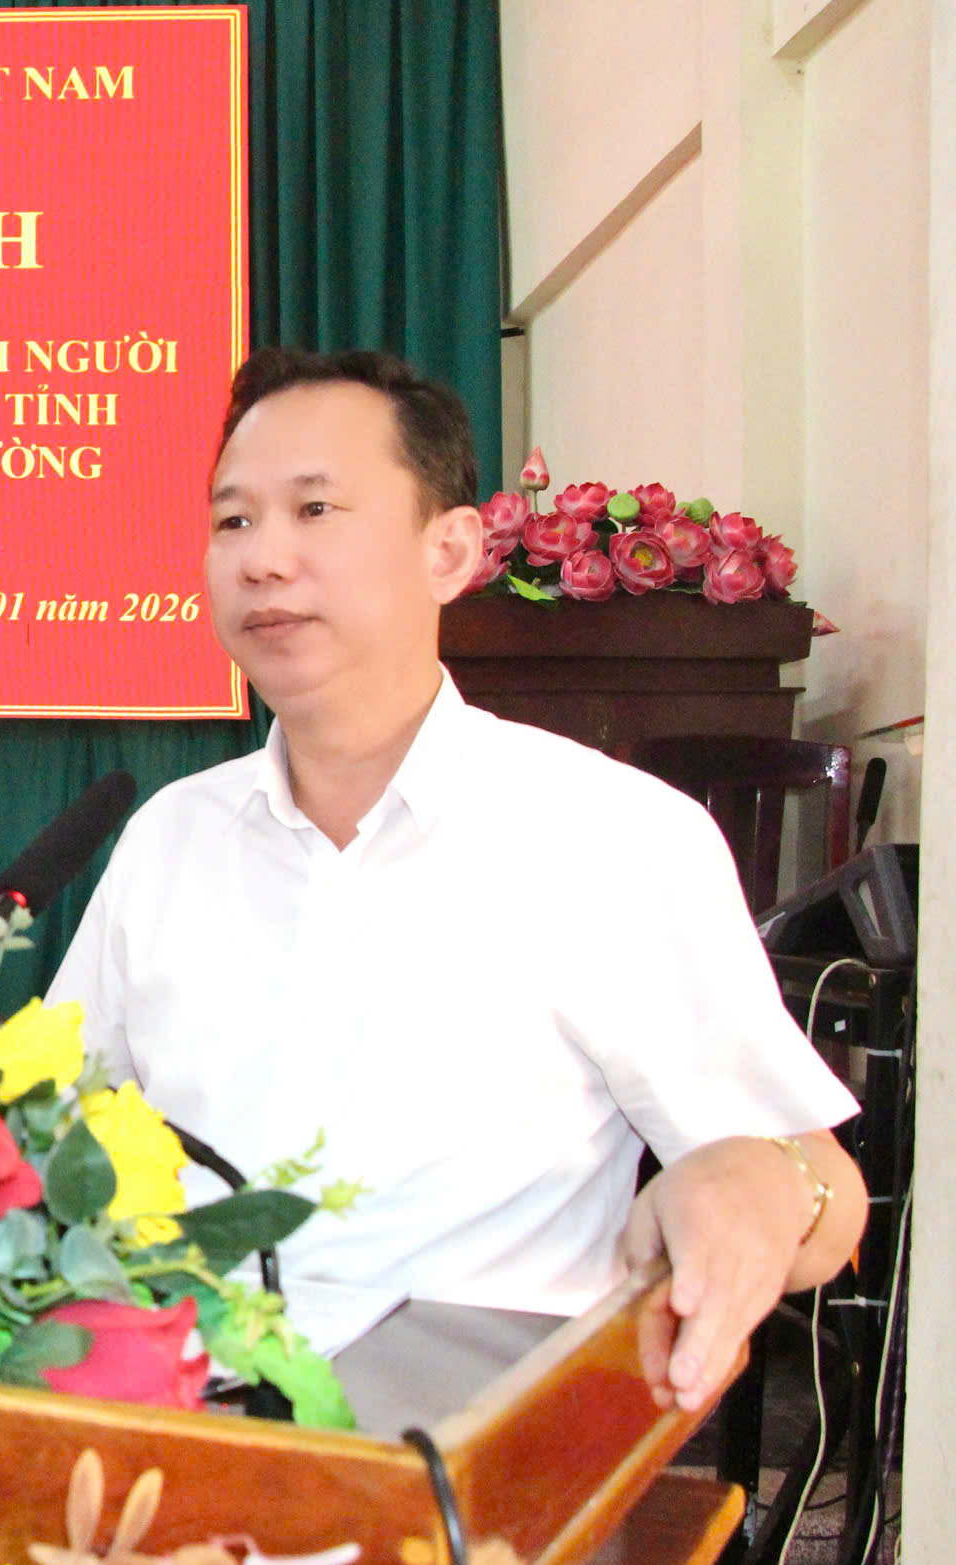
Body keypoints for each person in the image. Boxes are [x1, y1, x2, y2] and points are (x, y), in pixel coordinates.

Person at [48, 346, 865, 1414]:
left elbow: (818, 1186)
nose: (261, 560)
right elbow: (50, 1136)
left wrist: (766, 1186)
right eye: (233, 520)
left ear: (450, 550)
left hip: (473, 1443)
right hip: (179, 1432)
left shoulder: (613, 836)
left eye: (314, 510)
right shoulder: (170, 838)